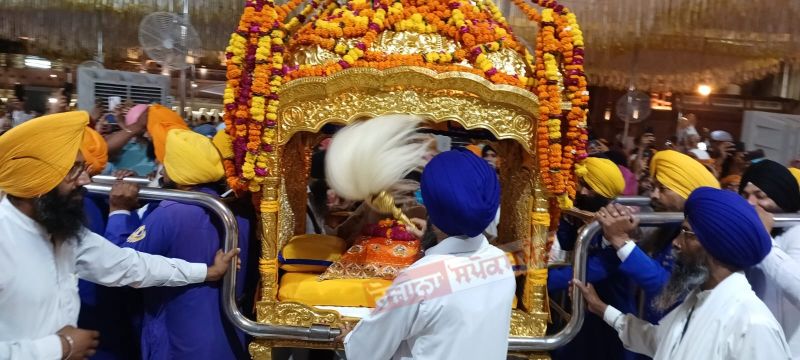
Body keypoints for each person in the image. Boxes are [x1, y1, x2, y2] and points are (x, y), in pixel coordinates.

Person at [0, 112, 238, 360]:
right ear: (36, 181)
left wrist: (206, 271)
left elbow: (130, 265)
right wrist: (58, 348)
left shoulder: (63, 231)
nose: (84, 179)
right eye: (74, 170)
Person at [339, 149, 515, 360]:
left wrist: (348, 336)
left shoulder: (418, 279)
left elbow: (365, 352)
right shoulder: (500, 263)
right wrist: (431, 241)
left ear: (430, 206)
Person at [576, 187, 791, 359]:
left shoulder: (753, 324)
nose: (677, 243)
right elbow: (658, 341)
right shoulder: (698, 299)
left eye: (687, 233)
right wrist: (602, 309)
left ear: (715, 244)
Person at [116, 129, 250, 359]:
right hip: (230, 339)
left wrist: (118, 211)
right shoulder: (238, 212)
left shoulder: (169, 214)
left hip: (180, 342)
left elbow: (122, 264)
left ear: (175, 171)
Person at [597, 149, 720, 323]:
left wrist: (622, 242)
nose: (653, 196)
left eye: (662, 189)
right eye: (653, 187)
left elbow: (668, 286)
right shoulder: (668, 227)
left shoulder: (698, 238)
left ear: (687, 193)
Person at [547, 157, 637, 360]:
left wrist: (540, 281)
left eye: (590, 188)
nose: (583, 192)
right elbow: (569, 243)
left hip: (612, 319)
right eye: (582, 185)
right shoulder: (590, 218)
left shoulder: (617, 224)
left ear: (605, 194)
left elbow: (594, 268)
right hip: (588, 314)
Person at [739, 160, 800, 357]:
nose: (750, 203)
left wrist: (764, 240)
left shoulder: (796, 232)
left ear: (782, 198)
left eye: (760, 196)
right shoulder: (745, 231)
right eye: (745, 194)